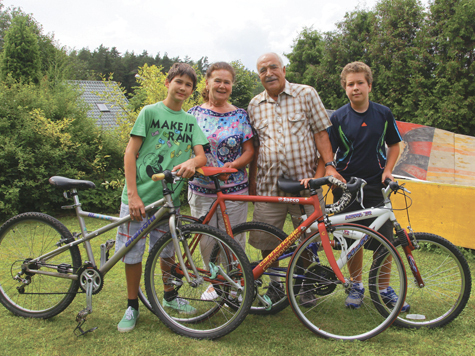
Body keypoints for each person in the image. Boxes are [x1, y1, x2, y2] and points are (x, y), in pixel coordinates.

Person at [115, 63, 208, 332]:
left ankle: (170, 297)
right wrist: (132, 195)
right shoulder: (150, 112)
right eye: (178, 81)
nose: (183, 87)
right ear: (168, 83)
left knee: (168, 251)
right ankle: (132, 305)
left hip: (169, 201)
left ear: (192, 91)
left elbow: (201, 155)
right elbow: (129, 153)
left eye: (188, 85)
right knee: (133, 254)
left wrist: (193, 161)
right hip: (140, 197)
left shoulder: (191, 121)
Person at [247, 52, 343, 307]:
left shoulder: (306, 94)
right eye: (263, 70)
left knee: (309, 239)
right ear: (259, 76)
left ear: (284, 69)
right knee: (268, 239)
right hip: (269, 186)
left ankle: (305, 284)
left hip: (306, 184)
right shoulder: (254, 105)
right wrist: (252, 182)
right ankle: (276, 285)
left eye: (273, 67)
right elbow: (256, 148)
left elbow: (322, 134)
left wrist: (327, 169)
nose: (269, 73)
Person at [322, 61, 409, 311]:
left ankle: (384, 289)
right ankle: (356, 285)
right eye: (350, 84)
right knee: (352, 239)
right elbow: (329, 150)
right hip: (346, 187)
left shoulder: (383, 114)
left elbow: (394, 145)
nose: (355, 88)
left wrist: (388, 170)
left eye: (360, 83)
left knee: (385, 241)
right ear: (345, 88)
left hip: (376, 184)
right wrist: (331, 169)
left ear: (369, 85)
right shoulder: (337, 117)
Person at [187, 62, 254, 300]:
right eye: (218, 80)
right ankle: (215, 283)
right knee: (206, 240)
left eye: (227, 82)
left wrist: (233, 166)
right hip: (202, 189)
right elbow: (187, 151)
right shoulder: (193, 114)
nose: (222, 85)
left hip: (234, 189)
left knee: (234, 240)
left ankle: (236, 283)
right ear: (207, 83)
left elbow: (249, 150)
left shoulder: (240, 115)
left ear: (232, 86)